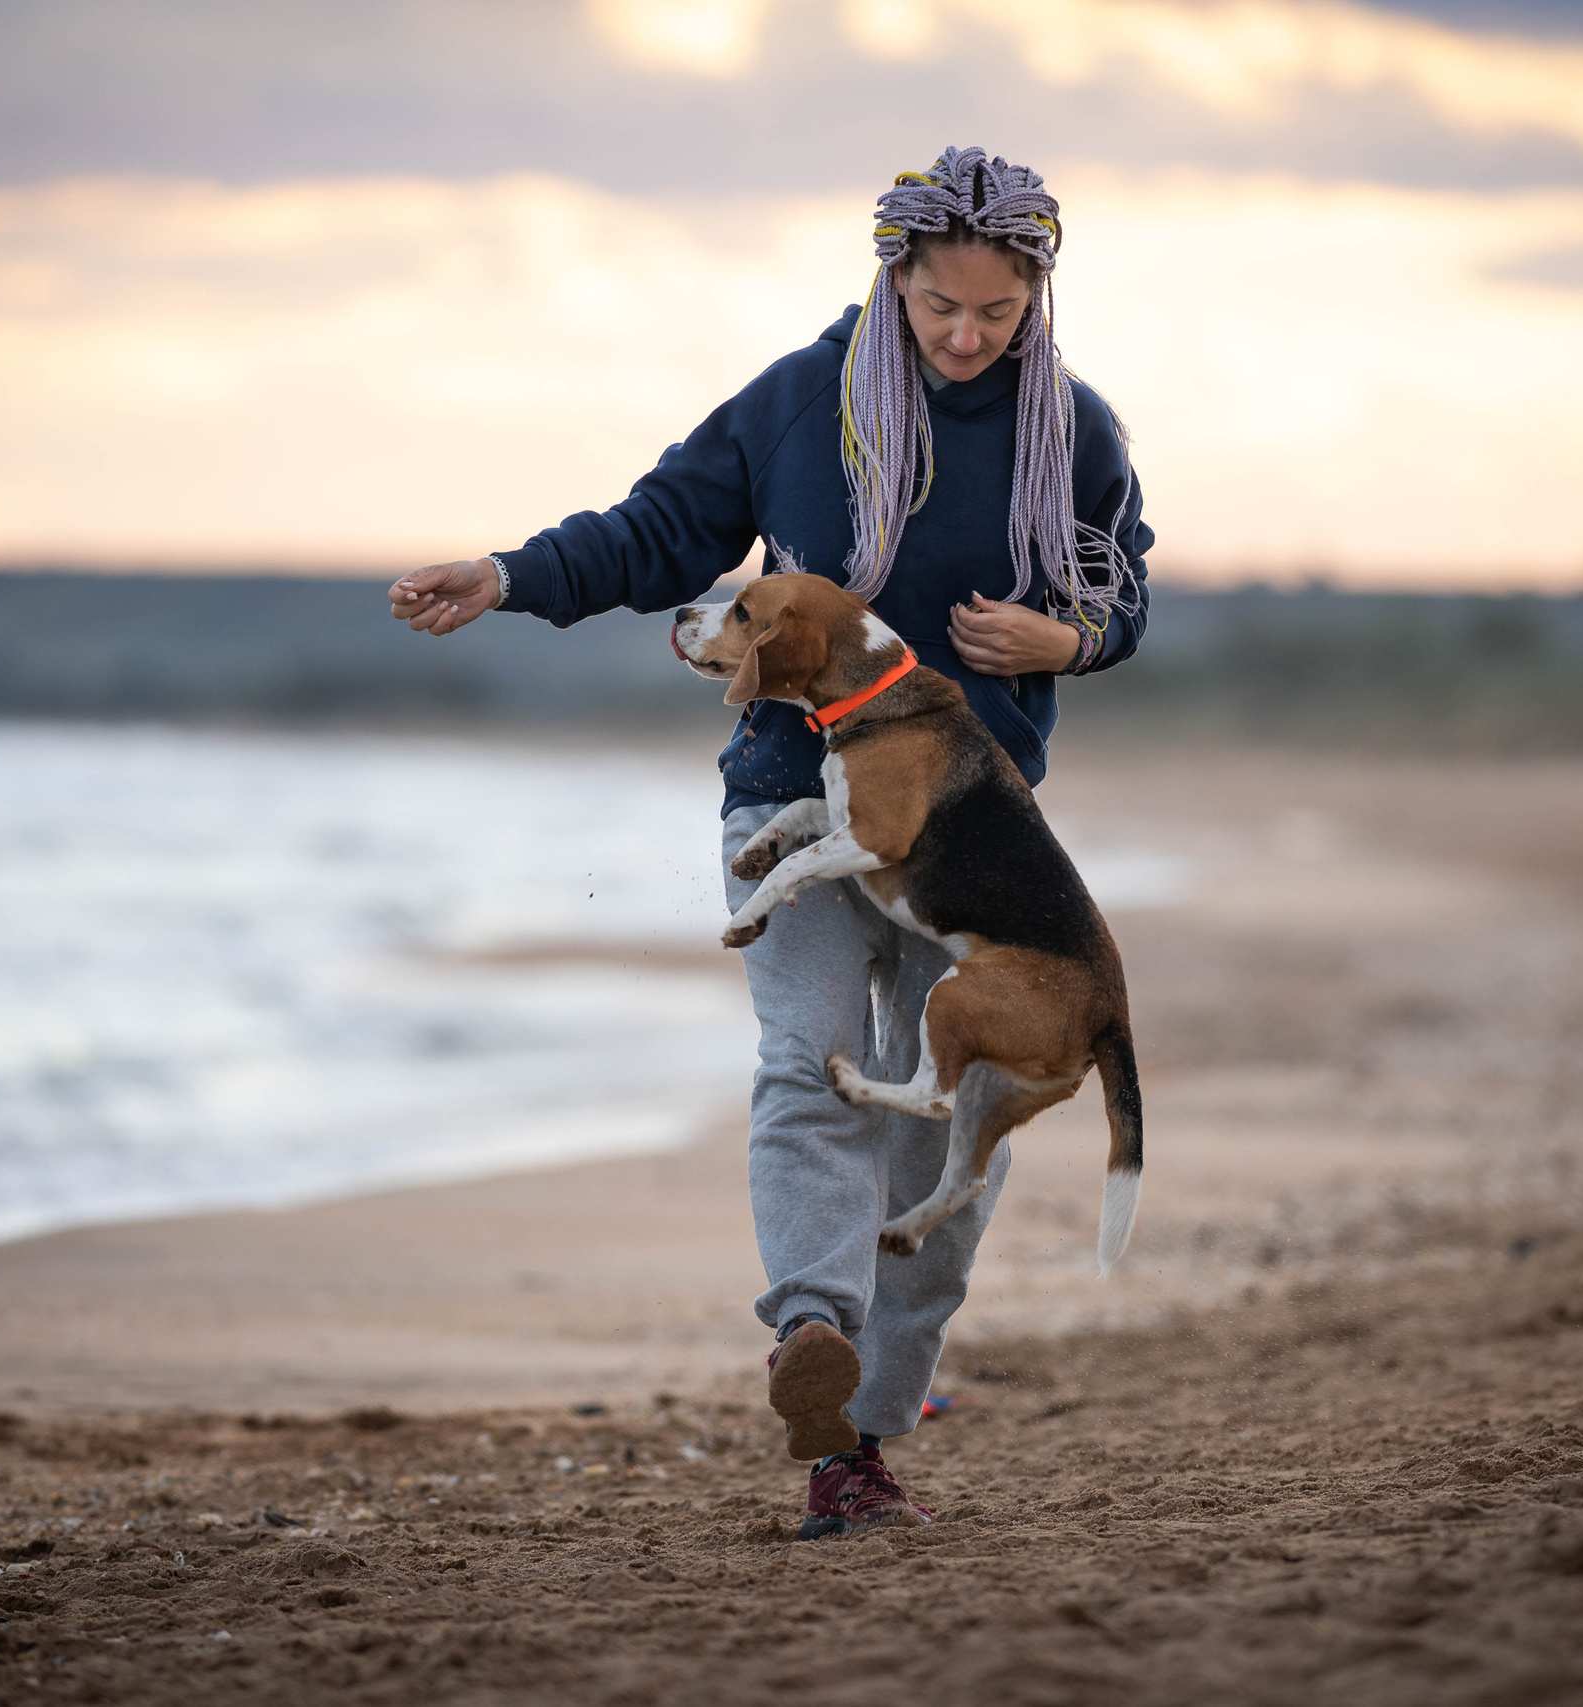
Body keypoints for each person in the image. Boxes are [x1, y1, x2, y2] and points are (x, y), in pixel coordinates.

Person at [390, 146, 1152, 1538]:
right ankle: (811, 1332)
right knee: (808, 1069)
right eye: (941, 311)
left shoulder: (1077, 431)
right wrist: (508, 575)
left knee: (940, 1142)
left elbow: (1122, 586)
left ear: (1038, 298)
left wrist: (1072, 638)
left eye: (999, 315)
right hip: (788, 800)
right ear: (893, 282)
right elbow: (661, 530)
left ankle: (861, 1447)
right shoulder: (803, 402)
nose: (969, 339)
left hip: (971, 829)